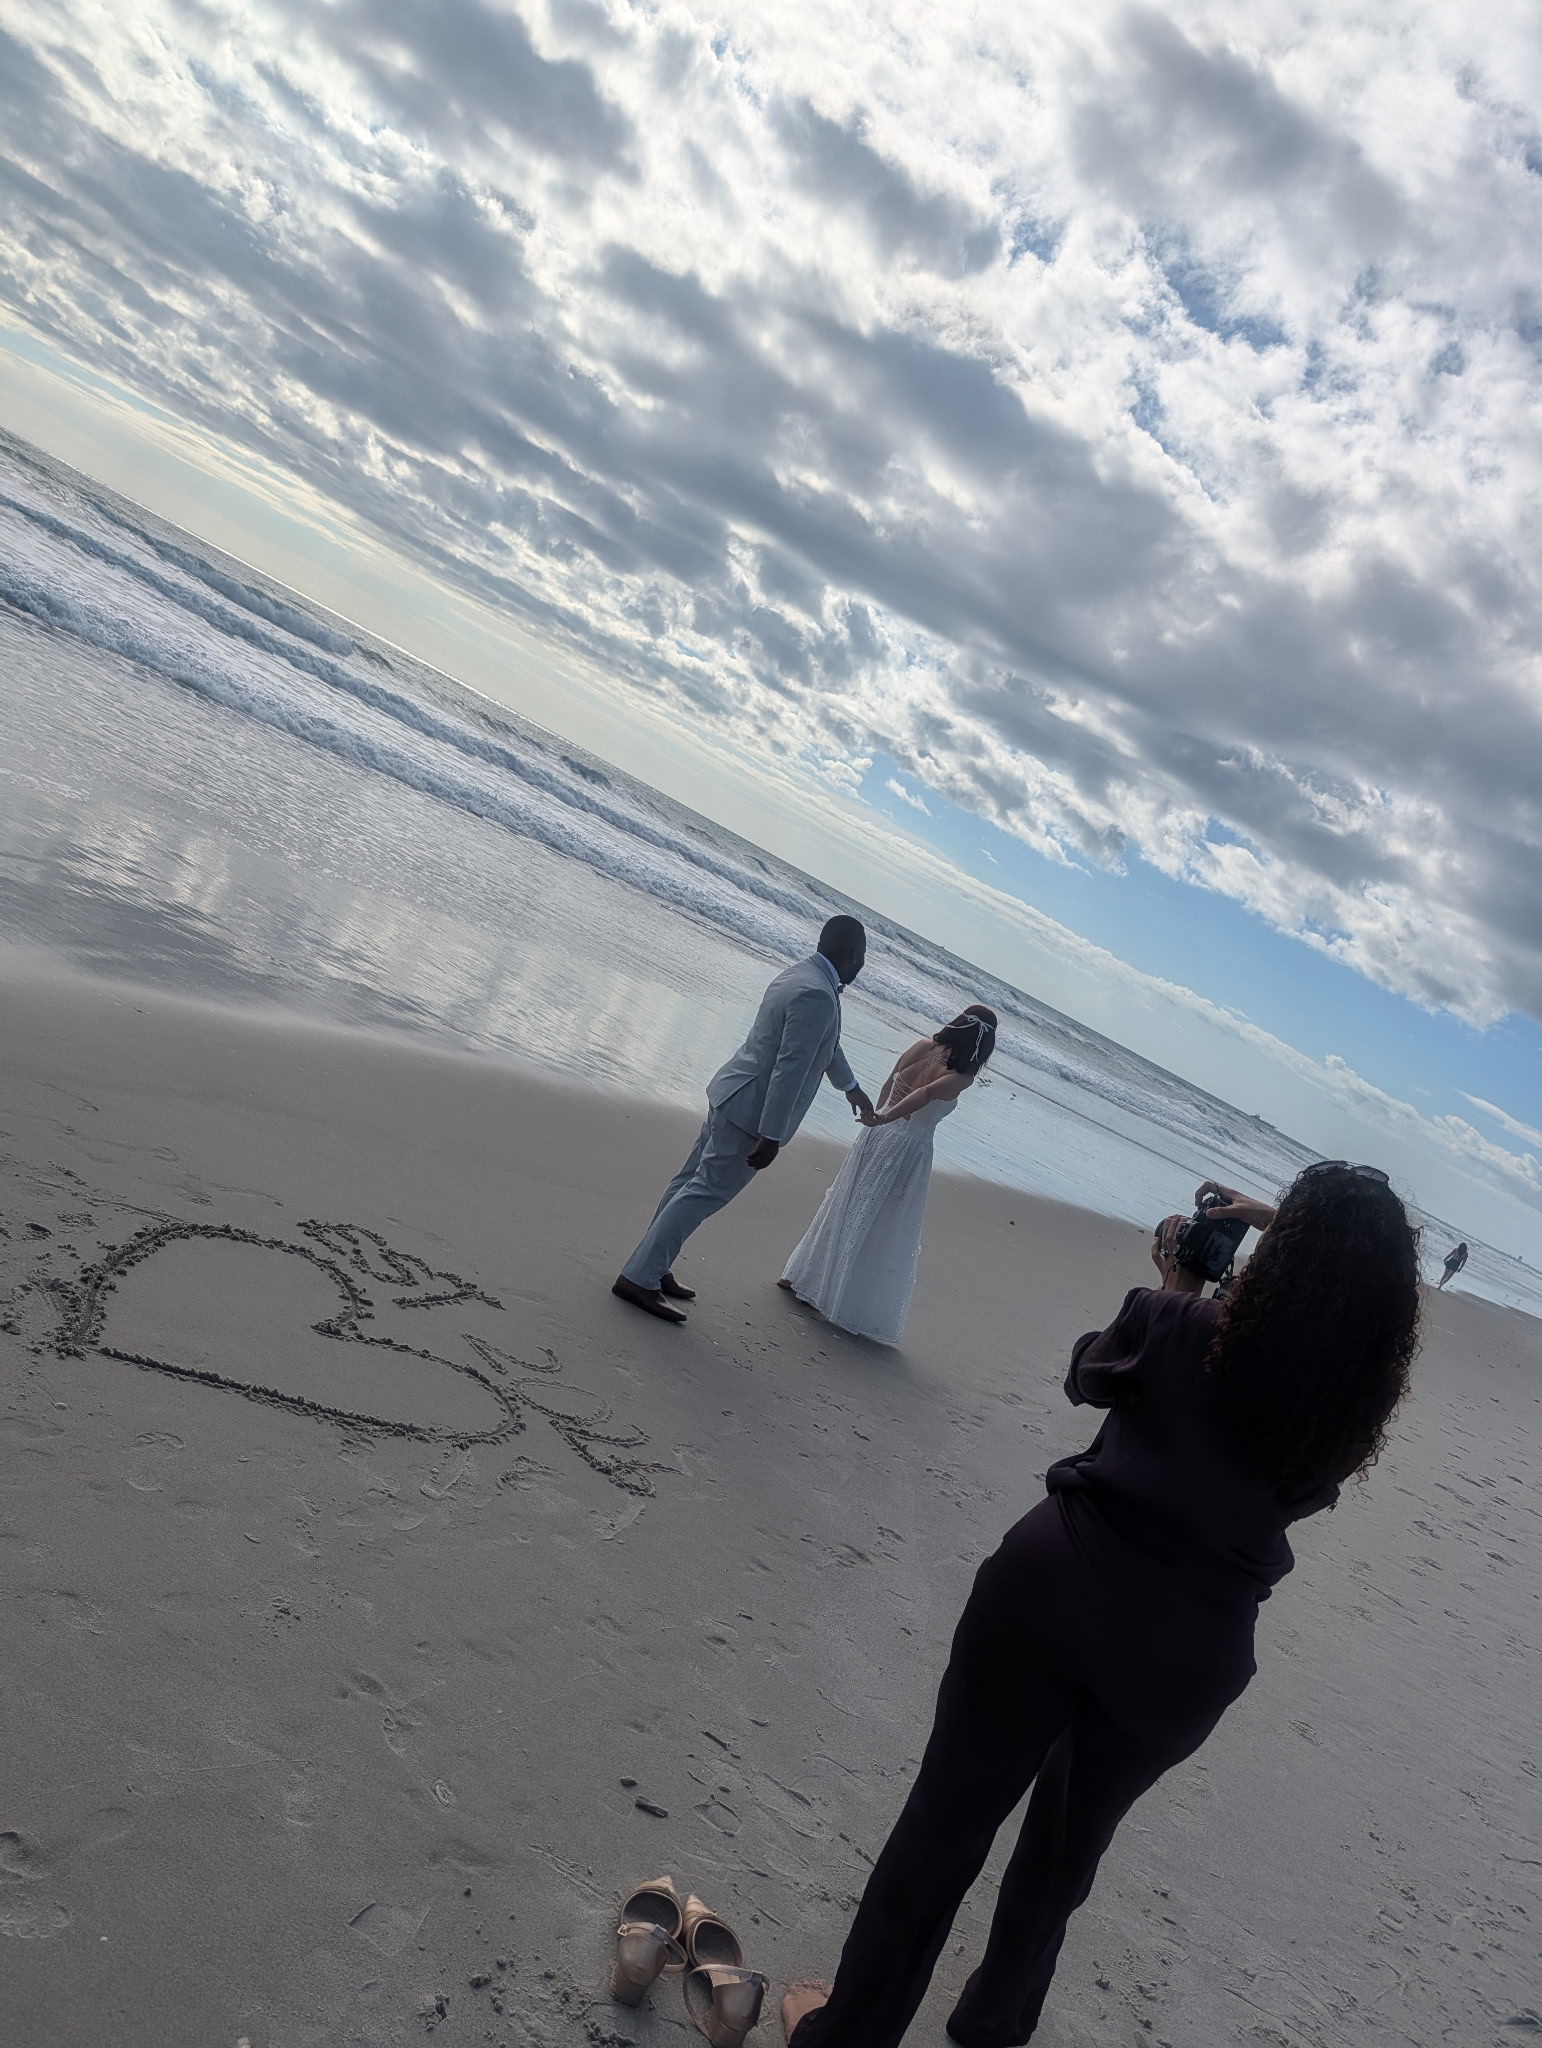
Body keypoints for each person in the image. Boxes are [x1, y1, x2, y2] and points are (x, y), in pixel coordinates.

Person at [779, 1162, 1421, 2048]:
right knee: (1066, 1856)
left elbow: (1088, 1374)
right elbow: (1352, 1302)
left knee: (946, 1822)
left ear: (1280, 1255)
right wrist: (1294, 1236)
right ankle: (992, 2024)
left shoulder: (1178, 1323)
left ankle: (848, 2034)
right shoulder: (1343, 1414)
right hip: (1190, 1653)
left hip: (1056, 1587)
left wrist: (1178, 1281)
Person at [612, 917, 876, 1323]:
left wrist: (851, 1087)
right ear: (854, 955)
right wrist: (771, 1135)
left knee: (688, 1183)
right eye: (863, 957)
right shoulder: (818, 995)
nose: (862, 966)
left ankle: (654, 1265)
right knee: (702, 1193)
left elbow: (825, 1045)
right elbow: (790, 1066)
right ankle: (639, 1277)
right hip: (750, 1114)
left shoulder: (799, 974)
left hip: (731, 1092)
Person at [779, 1006, 997, 1344]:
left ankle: (801, 1276)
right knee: (879, 1218)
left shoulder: (922, 1046)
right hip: (907, 1146)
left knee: (845, 1200)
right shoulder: (963, 1077)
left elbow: (891, 1080)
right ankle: (837, 1298)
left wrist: (876, 1117)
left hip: (876, 1133)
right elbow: (925, 1095)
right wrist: (886, 1119)